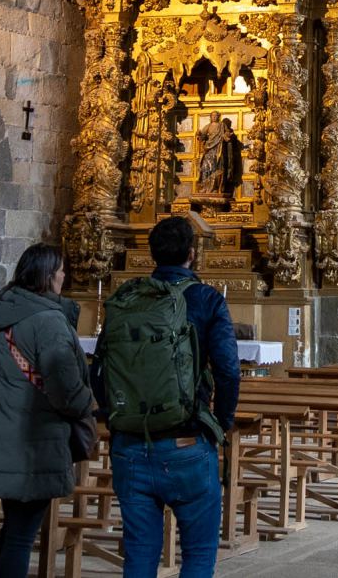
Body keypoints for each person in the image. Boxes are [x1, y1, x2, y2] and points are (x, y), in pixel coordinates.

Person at [92, 216, 239, 578]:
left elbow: (97, 369)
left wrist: (115, 414)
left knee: (140, 555)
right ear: (192, 254)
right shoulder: (206, 299)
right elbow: (228, 370)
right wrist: (220, 423)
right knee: (199, 555)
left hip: (130, 443)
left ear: (152, 254)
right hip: (187, 441)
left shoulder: (126, 299)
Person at [0, 243, 93, 578]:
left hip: (1, 432)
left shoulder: (3, 311)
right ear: (48, 275)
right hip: (33, 440)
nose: (65, 275)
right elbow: (66, 388)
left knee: (14, 529)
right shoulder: (48, 322)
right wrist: (89, 406)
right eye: (61, 269)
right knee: (22, 536)